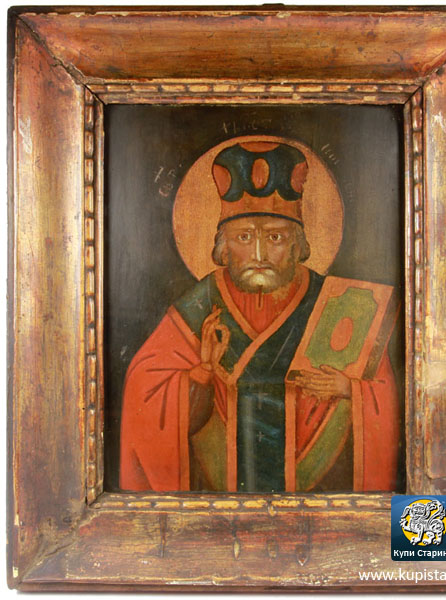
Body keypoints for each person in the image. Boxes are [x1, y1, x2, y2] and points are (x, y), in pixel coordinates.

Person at [120, 139, 400, 493]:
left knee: (424, 530)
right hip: (218, 503)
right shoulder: (200, 307)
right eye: (243, 237)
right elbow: (144, 391)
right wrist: (201, 374)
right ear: (223, 245)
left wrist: (350, 390)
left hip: (319, 497)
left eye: (275, 237)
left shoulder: (342, 305)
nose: (259, 254)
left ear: (298, 244)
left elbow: (384, 393)